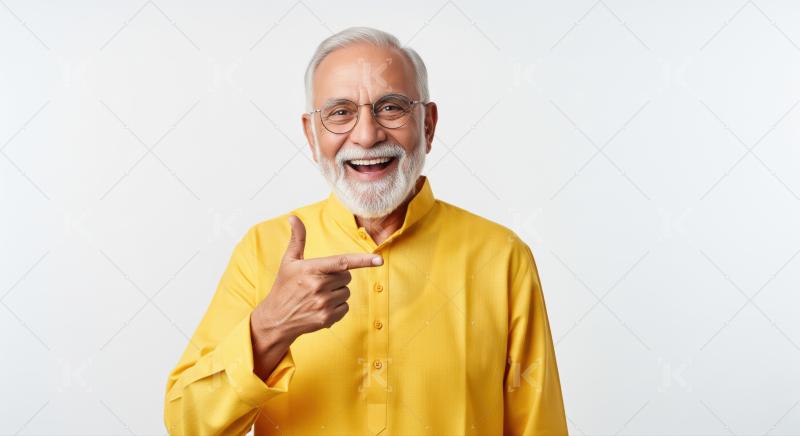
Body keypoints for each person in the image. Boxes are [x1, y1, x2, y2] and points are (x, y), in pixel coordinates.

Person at [164, 26, 568, 435]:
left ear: (427, 124)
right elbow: (188, 425)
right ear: (311, 134)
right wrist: (270, 327)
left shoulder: (501, 256)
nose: (367, 135)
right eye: (340, 113)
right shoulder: (263, 249)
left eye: (390, 107)